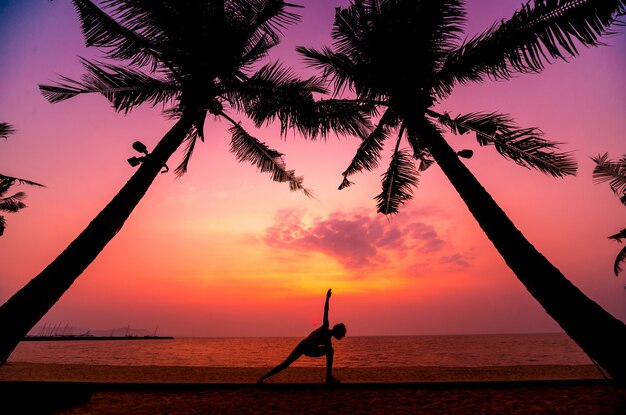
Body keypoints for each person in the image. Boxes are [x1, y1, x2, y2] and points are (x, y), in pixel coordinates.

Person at [257, 288, 346, 384]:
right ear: (337, 332)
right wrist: (327, 298)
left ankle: (328, 378)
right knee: (286, 364)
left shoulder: (328, 342)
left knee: (330, 350)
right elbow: (326, 311)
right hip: (304, 346)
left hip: (310, 350)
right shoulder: (325, 326)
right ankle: (262, 378)